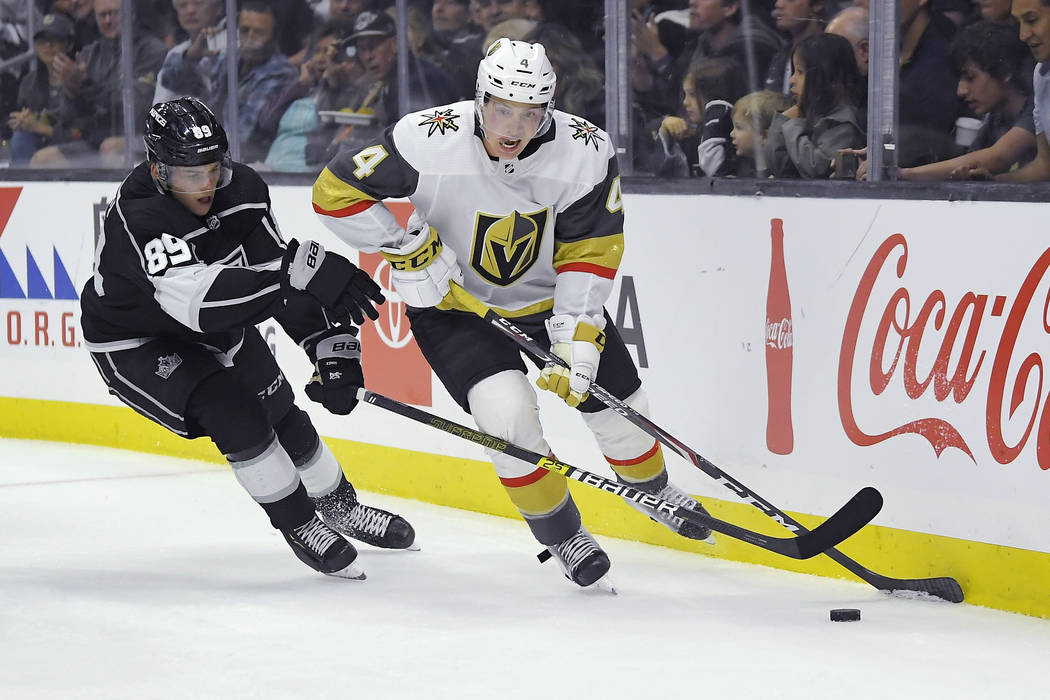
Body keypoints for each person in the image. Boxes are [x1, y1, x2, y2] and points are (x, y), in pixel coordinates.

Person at [310, 38, 713, 590]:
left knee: (619, 408)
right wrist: (405, 244)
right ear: (479, 98)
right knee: (506, 417)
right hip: (452, 307)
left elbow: (589, 250)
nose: (513, 126)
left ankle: (654, 488)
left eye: (529, 113)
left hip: (549, 303)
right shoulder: (426, 138)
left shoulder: (585, 151)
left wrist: (575, 338)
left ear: (548, 109)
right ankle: (563, 535)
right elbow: (334, 193)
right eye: (501, 108)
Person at [79, 97, 415, 578]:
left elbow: (276, 273)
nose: (207, 185)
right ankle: (300, 523)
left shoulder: (245, 191)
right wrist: (295, 276)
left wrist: (328, 344)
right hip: (137, 341)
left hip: (218, 327)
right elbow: (198, 304)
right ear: (158, 170)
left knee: (281, 411)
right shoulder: (138, 216)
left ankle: (341, 507)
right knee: (233, 410)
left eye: (213, 168)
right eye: (189, 174)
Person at [898, 20, 1036, 180]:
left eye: (971, 77)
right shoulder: (994, 120)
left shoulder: (1036, 109)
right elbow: (972, 161)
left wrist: (906, 174)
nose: (960, 90)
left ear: (1004, 71)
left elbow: (997, 158)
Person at [764, 32, 864, 177]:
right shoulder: (811, 115)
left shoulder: (842, 123)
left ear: (825, 77)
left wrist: (792, 125)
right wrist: (782, 121)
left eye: (800, 72)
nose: (792, 80)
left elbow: (817, 169)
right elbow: (778, 167)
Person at [730, 89, 793, 176]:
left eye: (739, 128)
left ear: (764, 136)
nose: (732, 134)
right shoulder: (742, 172)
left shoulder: (782, 178)